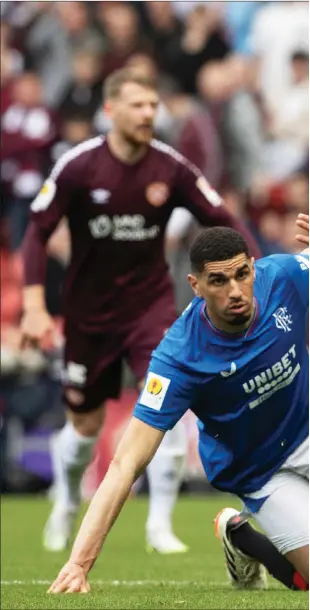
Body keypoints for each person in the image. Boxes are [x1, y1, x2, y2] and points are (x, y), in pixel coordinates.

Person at [21, 67, 260, 555]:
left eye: (153, 105)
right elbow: (36, 231)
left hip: (149, 310)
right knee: (84, 429)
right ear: (110, 110)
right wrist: (31, 305)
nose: (149, 113)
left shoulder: (170, 167)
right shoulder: (79, 166)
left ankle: (159, 526)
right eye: (137, 105)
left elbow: (222, 219)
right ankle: (66, 500)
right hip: (88, 314)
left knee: (167, 408)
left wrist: (261, 275)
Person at [47, 213, 309, 594]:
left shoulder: (285, 275)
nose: (235, 290)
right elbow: (126, 463)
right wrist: (78, 564)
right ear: (196, 285)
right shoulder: (178, 358)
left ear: (254, 268)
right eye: (218, 281)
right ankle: (242, 540)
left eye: (241, 274)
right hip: (262, 471)